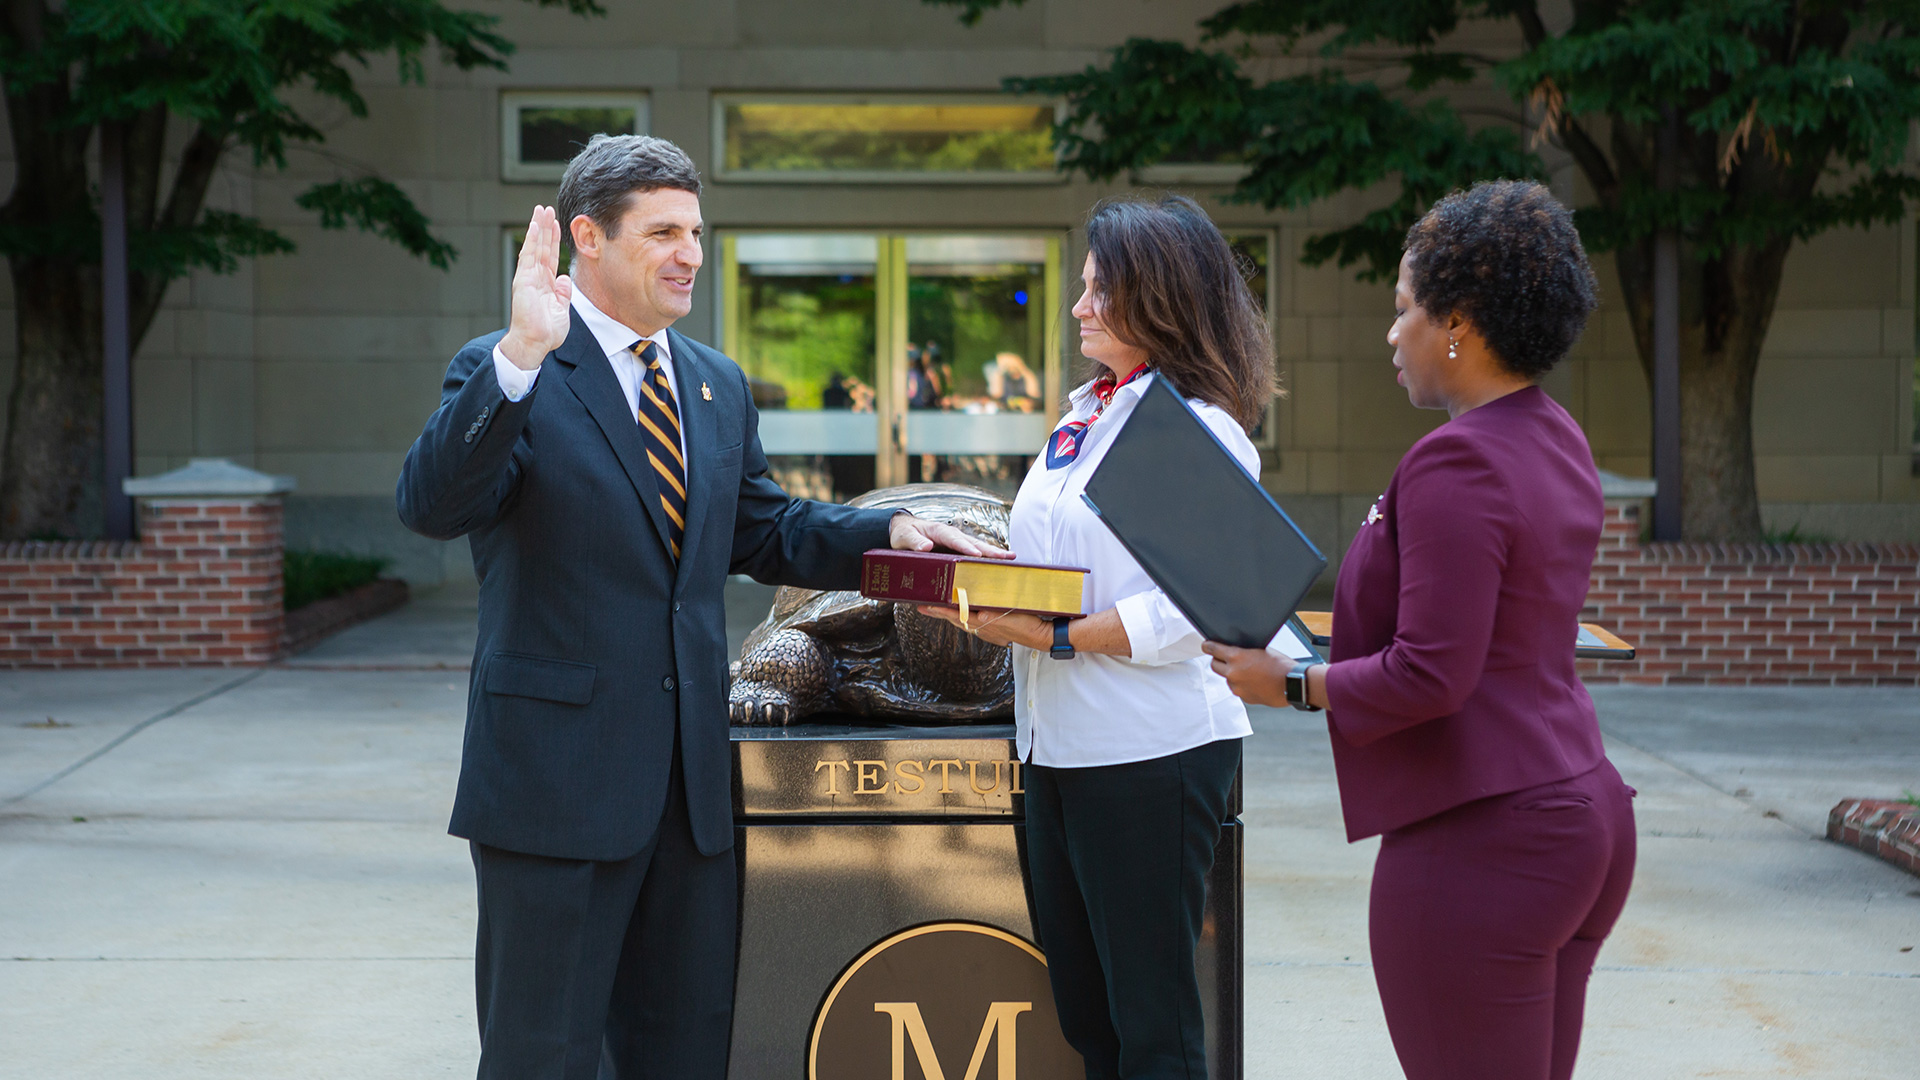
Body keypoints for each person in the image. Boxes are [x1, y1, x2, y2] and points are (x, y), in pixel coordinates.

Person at [395, 134, 1000, 1080]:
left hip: (692, 797)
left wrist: (896, 533)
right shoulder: (508, 370)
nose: (690, 253)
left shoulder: (712, 383)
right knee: (540, 1057)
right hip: (556, 794)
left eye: (698, 231)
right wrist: (518, 355)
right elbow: (432, 504)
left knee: (684, 1052)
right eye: (664, 231)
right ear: (586, 238)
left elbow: (767, 529)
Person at [1202, 180, 1635, 1080]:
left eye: (1402, 310)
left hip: (1485, 839)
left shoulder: (1458, 459)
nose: (1389, 334)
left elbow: (1432, 675)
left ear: (1458, 325)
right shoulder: (1554, 434)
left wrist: (1284, 682)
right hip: (1581, 812)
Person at [920, 193, 1273, 1079]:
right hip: (1058, 749)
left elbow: (1197, 609)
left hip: (1149, 755)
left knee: (1153, 1029)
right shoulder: (1084, 418)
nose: (1077, 309)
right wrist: (979, 565)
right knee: (1088, 1016)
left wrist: (1058, 636)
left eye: (1097, 292)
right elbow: (1060, 560)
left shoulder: (1196, 429)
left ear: (1157, 300)